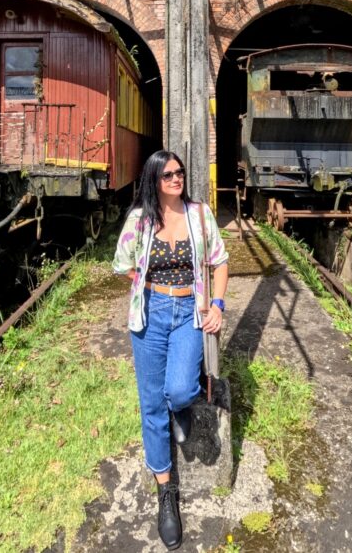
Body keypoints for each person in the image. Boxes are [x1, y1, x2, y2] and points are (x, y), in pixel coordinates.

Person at [112, 149, 229, 550]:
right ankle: (166, 493)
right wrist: (145, 282)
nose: (176, 179)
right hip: (151, 312)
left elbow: (220, 261)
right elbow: (122, 262)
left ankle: (181, 408)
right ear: (154, 181)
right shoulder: (140, 220)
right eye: (168, 176)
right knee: (150, 405)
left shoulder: (199, 215)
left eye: (179, 173)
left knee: (178, 389)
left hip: (188, 312)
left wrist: (217, 304)